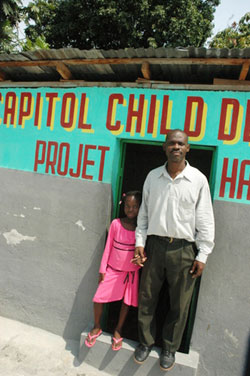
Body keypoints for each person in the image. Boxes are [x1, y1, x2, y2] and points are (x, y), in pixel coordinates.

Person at [132, 129, 215, 371]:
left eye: (181, 143)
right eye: (171, 143)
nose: (176, 147)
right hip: (154, 246)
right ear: (164, 147)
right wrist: (140, 242)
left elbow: (205, 220)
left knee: (179, 303)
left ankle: (169, 347)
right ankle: (145, 342)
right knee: (147, 297)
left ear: (188, 148)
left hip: (184, 249)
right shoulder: (152, 177)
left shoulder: (198, 180)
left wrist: (203, 254)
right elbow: (144, 214)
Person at [85, 191, 142, 351]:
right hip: (112, 270)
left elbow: (142, 252)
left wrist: (140, 261)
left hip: (130, 273)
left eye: (135, 207)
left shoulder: (141, 229)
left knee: (126, 302)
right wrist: (103, 268)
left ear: (140, 208)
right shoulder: (116, 224)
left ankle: (118, 329)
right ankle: (97, 326)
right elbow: (108, 246)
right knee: (99, 298)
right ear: (123, 206)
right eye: (128, 206)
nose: (131, 210)